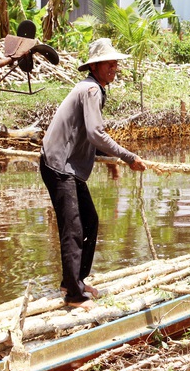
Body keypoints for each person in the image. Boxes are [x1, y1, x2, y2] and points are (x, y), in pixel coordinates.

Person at [40, 38, 146, 310]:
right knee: (73, 227)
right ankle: (74, 295)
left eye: (116, 64)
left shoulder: (91, 88)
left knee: (90, 220)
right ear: (95, 66)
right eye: (110, 63)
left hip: (67, 165)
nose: (114, 68)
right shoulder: (91, 90)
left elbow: (85, 136)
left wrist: (110, 156)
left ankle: (74, 280)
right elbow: (96, 133)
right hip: (58, 165)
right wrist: (128, 156)